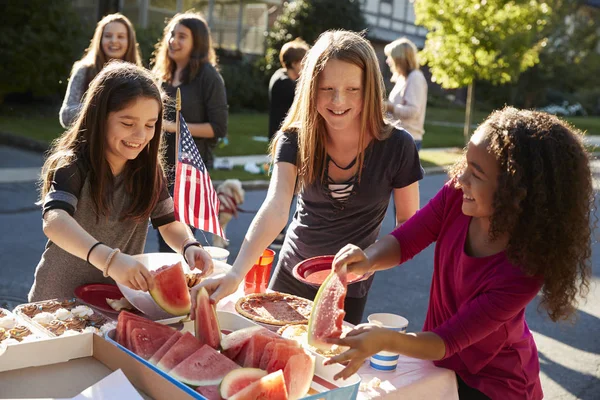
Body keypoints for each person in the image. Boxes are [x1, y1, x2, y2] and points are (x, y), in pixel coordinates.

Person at [326, 107, 593, 399]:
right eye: (466, 164)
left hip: (496, 386)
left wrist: (385, 340)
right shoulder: (457, 197)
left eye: (476, 174)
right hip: (440, 367)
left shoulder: (524, 272)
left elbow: (447, 340)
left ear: (517, 193)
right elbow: (406, 239)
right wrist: (368, 258)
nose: (461, 178)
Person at [194, 30, 423, 325]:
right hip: (291, 272)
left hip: (349, 286)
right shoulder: (294, 139)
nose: (338, 101)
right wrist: (236, 273)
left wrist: (370, 260)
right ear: (310, 89)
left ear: (370, 89)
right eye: (327, 88)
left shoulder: (398, 146)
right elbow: (276, 207)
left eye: (352, 89)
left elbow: (408, 226)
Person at [29, 62, 214, 302]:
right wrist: (110, 260)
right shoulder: (73, 163)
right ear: (99, 117)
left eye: (150, 125)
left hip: (116, 301)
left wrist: (189, 245)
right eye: (128, 124)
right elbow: (54, 221)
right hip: (58, 301)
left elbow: (169, 224)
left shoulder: (148, 170)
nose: (140, 136)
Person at [152, 12, 228, 253]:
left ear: (198, 42)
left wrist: (175, 126)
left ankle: (180, 289)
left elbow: (218, 128)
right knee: (160, 238)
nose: (173, 40)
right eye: (171, 35)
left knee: (177, 246)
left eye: (182, 36)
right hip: (158, 169)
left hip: (188, 174)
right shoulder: (161, 74)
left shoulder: (209, 77)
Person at [59, 13, 142, 128]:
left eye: (120, 36)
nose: (114, 40)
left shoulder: (139, 77)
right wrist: (101, 106)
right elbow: (66, 116)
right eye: (108, 35)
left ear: (129, 41)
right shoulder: (84, 71)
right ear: (100, 39)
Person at [268, 38, 310, 250]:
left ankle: (280, 230)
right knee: (285, 189)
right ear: (295, 63)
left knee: (290, 189)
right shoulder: (285, 83)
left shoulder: (283, 78)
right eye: (305, 61)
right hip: (286, 144)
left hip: (289, 142)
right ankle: (276, 234)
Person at [383, 37, 428, 150]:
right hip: (398, 137)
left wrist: (389, 107)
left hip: (408, 140)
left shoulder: (415, 78)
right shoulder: (403, 79)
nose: (388, 61)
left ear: (400, 59)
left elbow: (413, 111)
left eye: (390, 57)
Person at [268, 38, 310, 140]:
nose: (307, 65)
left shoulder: (281, 74)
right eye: (304, 62)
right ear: (294, 64)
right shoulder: (283, 82)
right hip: (285, 137)